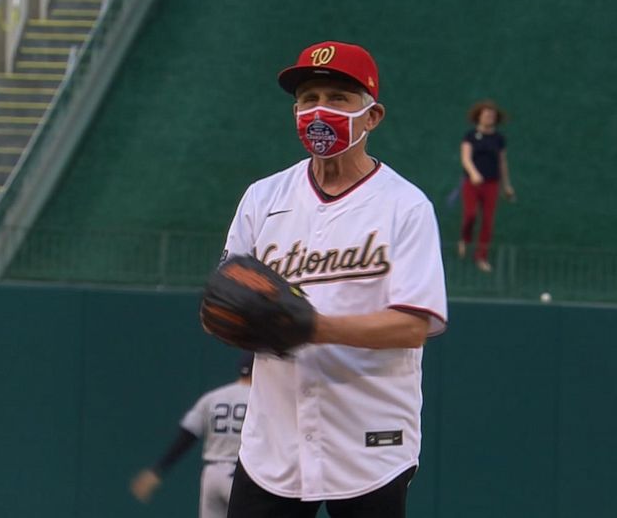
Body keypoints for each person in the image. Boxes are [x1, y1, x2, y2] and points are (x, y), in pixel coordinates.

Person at [220, 41, 448, 518]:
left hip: (370, 439)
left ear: (373, 116)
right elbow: (226, 299)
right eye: (308, 98)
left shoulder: (405, 206)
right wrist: (233, 316)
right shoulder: (263, 198)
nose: (319, 110)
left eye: (338, 98)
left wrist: (314, 326)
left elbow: (413, 325)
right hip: (273, 442)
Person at [130, 352, 254, 518]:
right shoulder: (260, 399)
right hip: (242, 476)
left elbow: (187, 435)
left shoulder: (212, 397)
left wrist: (158, 470)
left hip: (212, 476)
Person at [457, 100, 516, 272]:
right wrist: (474, 173)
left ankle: (481, 257)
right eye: (486, 114)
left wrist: (506, 186)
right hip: (472, 183)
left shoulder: (499, 139)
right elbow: (466, 158)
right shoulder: (470, 136)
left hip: (492, 184)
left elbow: (502, 163)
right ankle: (465, 240)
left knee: (487, 221)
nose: (489, 117)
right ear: (479, 116)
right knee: (470, 214)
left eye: (492, 115)